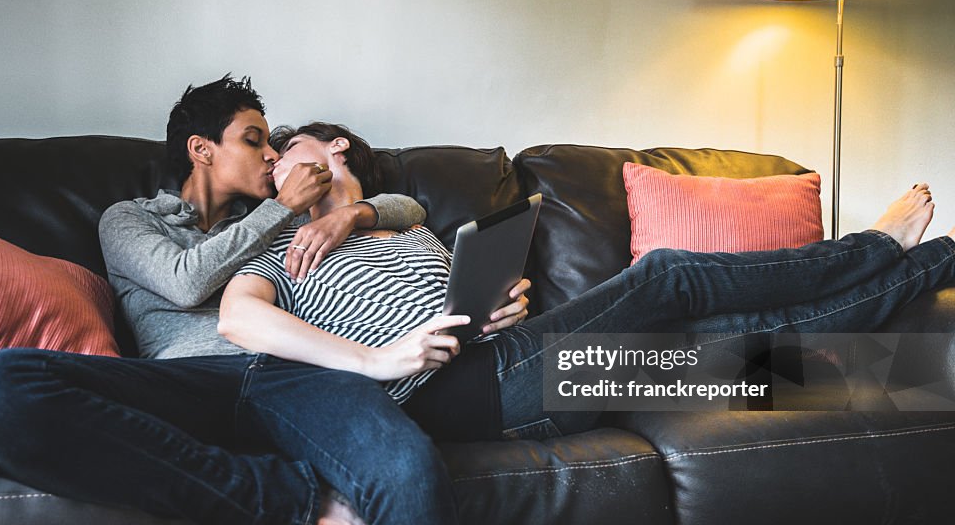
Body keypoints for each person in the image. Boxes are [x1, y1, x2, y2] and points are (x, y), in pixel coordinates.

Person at [0, 78, 479, 525]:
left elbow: (407, 211)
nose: (271, 156)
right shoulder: (130, 218)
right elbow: (184, 281)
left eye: (274, 144)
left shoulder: (275, 223)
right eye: (254, 140)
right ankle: (308, 505)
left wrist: (352, 212)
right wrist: (282, 209)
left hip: (298, 373)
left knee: (404, 465)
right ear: (201, 149)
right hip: (184, 383)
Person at [218, 122, 954, 443]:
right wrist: (375, 360)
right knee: (666, 275)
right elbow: (237, 319)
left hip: (509, 363)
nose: (278, 156)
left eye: (289, 143)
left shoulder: (409, 225)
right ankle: (874, 245)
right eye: (268, 152)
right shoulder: (279, 246)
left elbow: (470, 307)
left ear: (336, 147)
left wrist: (501, 307)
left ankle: (936, 261)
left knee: (745, 361)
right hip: (453, 394)